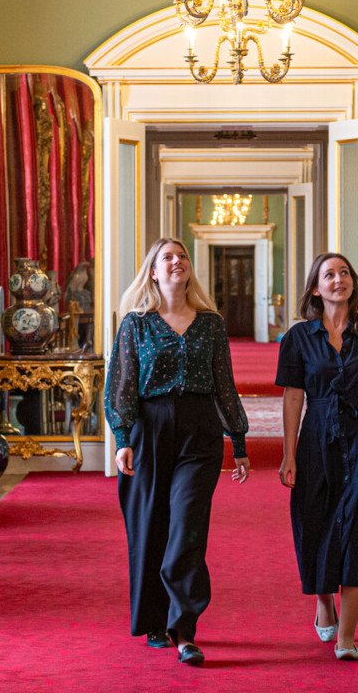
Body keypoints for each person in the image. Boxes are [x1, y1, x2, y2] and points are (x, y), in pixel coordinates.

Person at [105, 238, 251, 666]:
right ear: (152, 271)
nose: (176, 262)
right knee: (150, 526)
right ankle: (155, 618)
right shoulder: (136, 323)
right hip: (150, 430)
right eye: (167, 257)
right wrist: (123, 438)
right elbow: (122, 385)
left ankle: (184, 628)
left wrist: (238, 442)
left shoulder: (211, 324)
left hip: (199, 431)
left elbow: (225, 384)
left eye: (182, 256)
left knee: (187, 527)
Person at [276, 253, 358, 661]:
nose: (339, 280)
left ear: (354, 283)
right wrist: (288, 455)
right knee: (314, 526)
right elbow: (293, 397)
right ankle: (324, 601)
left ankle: (347, 635)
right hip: (316, 442)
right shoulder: (298, 338)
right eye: (329, 275)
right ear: (316, 288)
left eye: (345, 273)